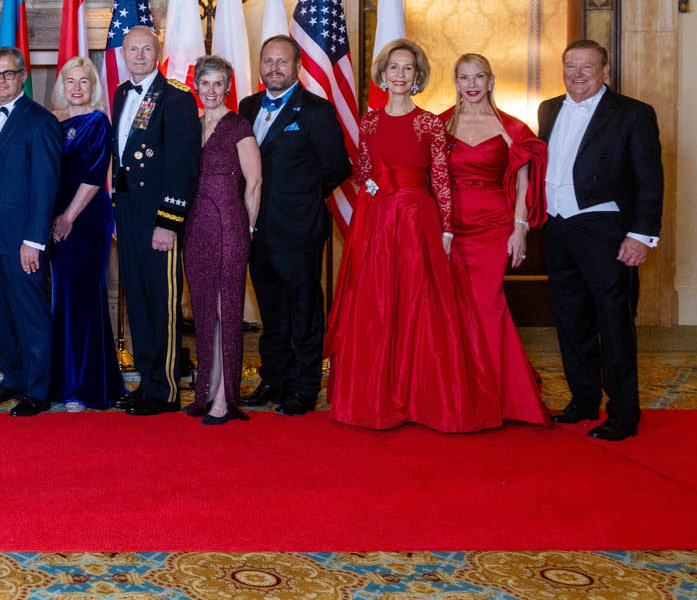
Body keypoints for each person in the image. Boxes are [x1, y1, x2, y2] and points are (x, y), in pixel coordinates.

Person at [326, 39, 496, 432]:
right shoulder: (369, 121)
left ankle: (423, 398)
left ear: (417, 77)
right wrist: (370, 192)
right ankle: (377, 399)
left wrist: (448, 228)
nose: (400, 75)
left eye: (407, 69)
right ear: (382, 75)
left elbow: (440, 179)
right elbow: (364, 171)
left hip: (418, 218)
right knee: (379, 305)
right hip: (378, 219)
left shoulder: (429, 122)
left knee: (420, 305)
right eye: (394, 68)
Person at [537, 39, 663, 442]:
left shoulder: (633, 114)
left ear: (605, 71)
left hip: (605, 230)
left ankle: (624, 412)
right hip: (558, 229)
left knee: (614, 322)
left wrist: (640, 236)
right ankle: (584, 399)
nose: (577, 74)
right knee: (571, 319)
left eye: (586, 67)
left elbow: (649, 180)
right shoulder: (549, 108)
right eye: (570, 66)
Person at [238, 35, 352, 417]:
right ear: (260, 66)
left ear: (298, 66)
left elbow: (337, 166)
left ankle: (304, 388)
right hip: (256, 230)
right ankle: (273, 380)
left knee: (304, 311)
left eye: (282, 62)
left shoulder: (317, 111)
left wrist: (301, 199)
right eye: (267, 61)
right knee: (271, 312)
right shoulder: (247, 106)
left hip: (299, 230)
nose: (274, 68)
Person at [442, 53, 550, 426]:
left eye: (479, 77)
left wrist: (520, 228)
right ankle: (460, 390)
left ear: (491, 80)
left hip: (492, 227)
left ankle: (502, 395)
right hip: (449, 229)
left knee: (488, 305)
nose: (472, 84)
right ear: (455, 82)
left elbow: (523, 182)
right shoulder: (441, 124)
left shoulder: (512, 128)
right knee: (454, 309)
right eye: (464, 77)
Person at [109, 24, 200, 414]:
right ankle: (147, 381)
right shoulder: (120, 94)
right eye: (133, 50)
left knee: (162, 303)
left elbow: (183, 163)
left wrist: (169, 220)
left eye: (147, 50)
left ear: (157, 53)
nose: (140, 56)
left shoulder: (175, 97)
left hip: (158, 216)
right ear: (123, 54)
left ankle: (164, 390)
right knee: (139, 301)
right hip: (128, 213)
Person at [0, 49, 62, 417]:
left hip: (24, 239)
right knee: (2, 314)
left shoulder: (40, 121)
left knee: (31, 315)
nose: (1, 80)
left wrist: (34, 240)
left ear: (23, 76)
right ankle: (13, 379)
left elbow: (46, 185)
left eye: (9, 74)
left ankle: (38, 390)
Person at [182, 57, 261, 426]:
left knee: (223, 307)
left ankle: (223, 398)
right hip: (196, 226)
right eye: (205, 84)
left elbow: (255, 183)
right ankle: (205, 393)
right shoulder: (193, 125)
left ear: (227, 87)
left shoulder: (238, 125)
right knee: (201, 308)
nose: (211, 91)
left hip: (230, 223)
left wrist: (248, 229)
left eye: (218, 84)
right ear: (196, 86)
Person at [48, 57, 117, 412]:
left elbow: (93, 176)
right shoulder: (54, 121)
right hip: (59, 218)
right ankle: (63, 380)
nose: (76, 88)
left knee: (80, 298)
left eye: (84, 82)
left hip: (85, 218)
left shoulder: (97, 122)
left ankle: (82, 386)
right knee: (62, 298)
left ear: (93, 87)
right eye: (70, 81)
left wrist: (68, 217)